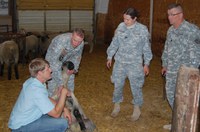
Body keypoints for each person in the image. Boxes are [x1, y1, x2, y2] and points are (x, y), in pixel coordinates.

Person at [106, 7, 153, 121]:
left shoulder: (142, 30)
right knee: (117, 85)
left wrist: (146, 63)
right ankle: (116, 106)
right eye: (124, 19)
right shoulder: (121, 27)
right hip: (120, 62)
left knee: (136, 87)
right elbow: (115, 42)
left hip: (135, 64)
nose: (125, 21)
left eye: (128, 19)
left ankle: (137, 108)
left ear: (135, 18)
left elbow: (146, 48)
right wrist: (109, 56)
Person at [161, 3, 200, 130]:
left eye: (173, 14)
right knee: (171, 96)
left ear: (181, 15)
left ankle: (186, 125)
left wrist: (191, 74)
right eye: (168, 14)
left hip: (185, 73)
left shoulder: (192, 30)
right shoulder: (171, 30)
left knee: (185, 99)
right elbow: (167, 48)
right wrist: (165, 64)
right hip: (171, 71)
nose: (169, 17)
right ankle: (176, 122)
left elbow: (196, 55)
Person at [8, 58, 72, 132]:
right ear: (40, 73)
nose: (51, 70)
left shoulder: (35, 81)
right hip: (21, 127)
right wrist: (63, 93)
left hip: (29, 118)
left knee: (54, 114)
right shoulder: (36, 90)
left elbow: (46, 98)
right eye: (48, 69)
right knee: (62, 123)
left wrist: (64, 108)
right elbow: (56, 114)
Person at [45, 28, 85, 96]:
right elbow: (55, 63)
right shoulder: (61, 41)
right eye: (75, 40)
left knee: (70, 79)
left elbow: (77, 57)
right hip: (53, 60)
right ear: (71, 36)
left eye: (79, 41)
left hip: (67, 60)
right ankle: (52, 102)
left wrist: (74, 69)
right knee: (53, 83)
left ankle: (68, 100)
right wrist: (61, 84)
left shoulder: (81, 43)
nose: (76, 43)